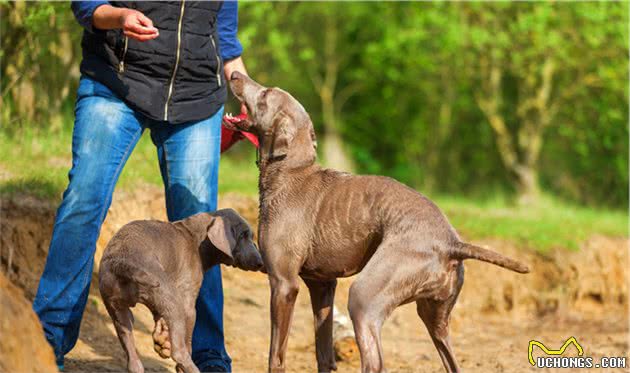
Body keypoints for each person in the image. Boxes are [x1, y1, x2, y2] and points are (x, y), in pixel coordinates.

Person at [32, 2, 248, 371]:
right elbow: (86, 5)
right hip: (116, 83)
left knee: (204, 235)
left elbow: (224, 40)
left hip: (196, 99)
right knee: (83, 200)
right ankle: (45, 342)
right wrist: (119, 17)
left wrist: (251, 101)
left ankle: (207, 356)